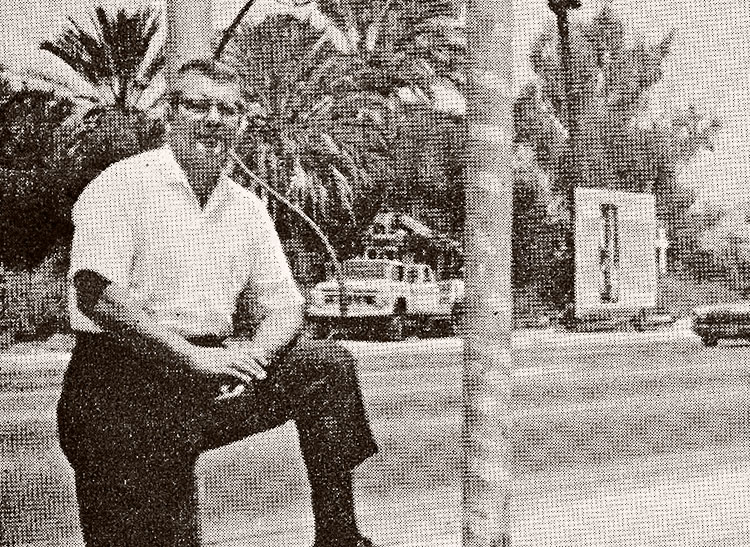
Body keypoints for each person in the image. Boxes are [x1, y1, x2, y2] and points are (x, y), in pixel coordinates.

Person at [57, 58, 378, 547]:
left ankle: (339, 536)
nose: (214, 120)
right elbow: (97, 294)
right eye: (197, 106)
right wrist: (195, 358)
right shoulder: (122, 185)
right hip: (119, 387)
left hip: (207, 382)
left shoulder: (246, 208)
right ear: (168, 114)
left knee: (326, 367)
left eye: (227, 110)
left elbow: (284, 304)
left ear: (242, 123)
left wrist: (254, 358)